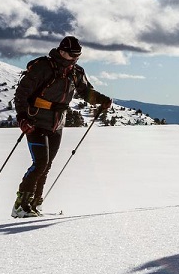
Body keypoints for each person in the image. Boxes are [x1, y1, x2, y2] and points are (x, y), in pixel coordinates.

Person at [12, 36, 112, 217]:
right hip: (35, 121)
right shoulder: (43, 67)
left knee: (47, 164)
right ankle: (21, 205)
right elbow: (21, 93)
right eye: (72, 55)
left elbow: (85, 92)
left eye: (78, 56)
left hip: (57, 123)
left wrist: (102, 100)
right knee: (40, 163)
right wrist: (22, 118)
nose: (75, 59)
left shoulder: (76, 72)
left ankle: (35, 203)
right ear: (62, 51)